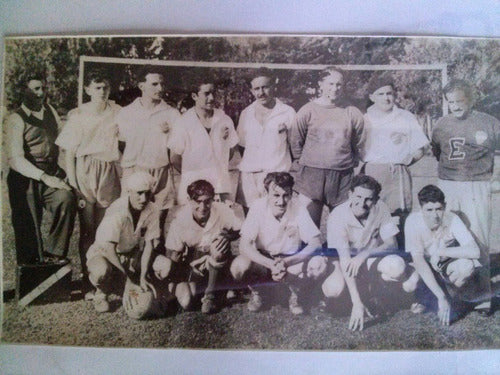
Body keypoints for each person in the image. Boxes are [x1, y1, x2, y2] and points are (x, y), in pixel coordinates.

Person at [56, 70, 121, 285]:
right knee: (87, 228)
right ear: (88, 90)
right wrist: (73, 183)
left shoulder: (117, 111)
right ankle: (87, 278)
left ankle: (104, 276)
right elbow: (69, 153)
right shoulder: (79, 115)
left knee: (106, 229)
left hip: (109, 171)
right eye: (97, 88)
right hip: (85, 170)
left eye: (105, 88)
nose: (102, 92)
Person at [327, 174, 416, 331]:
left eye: (368, 199)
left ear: (375, 200)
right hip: (345, 262)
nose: (362, 203)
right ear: (350, 194)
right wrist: (356, 303)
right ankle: (356, 298)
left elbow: (392, 244)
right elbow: (345, 259)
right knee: (332, 289)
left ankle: (380, 294)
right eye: (358, 196)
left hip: (368, 259)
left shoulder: (381, 208)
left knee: (396, 266)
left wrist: (364, 254)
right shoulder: (337, 215)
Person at [231, 172, 325, 315]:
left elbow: (315, 243)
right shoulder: (257, 206)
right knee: (239, 267)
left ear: (291, 193)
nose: (281, 201)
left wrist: (287, 262)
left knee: (319, 265)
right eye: (276, 195)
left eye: (286, 195)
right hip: (264, 260)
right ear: (266, 192)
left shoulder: (298, 206)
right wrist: (270, 264)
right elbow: (244, 246)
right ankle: (259, 292)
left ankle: (295, 294)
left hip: (290, 260)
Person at [5, 76, 76, 265]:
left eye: (43, 88)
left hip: (51, 173)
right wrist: (44, 177)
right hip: (24, 178)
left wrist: (67, 171)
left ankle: (55, 254)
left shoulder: (51, 111)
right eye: (35, 89)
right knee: (28, 228)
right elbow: (15, 159)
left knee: (66, 199)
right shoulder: (15, 118)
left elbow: (63, 143)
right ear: (24, 92)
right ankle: (31, 272)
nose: (40, 93)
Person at [290, 67, 366, 228]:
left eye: (339, 84)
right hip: (312, 174)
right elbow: (296, 141)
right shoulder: (307, 110)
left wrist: (350, 162)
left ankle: (337, 252)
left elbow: (359, 142)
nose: (335, 88)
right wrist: (304, 162)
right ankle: (312, 253)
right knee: (308, 224)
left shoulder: (352, 112)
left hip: (342, 175)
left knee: (341, 223)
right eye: (330, 84)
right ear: (321, 85)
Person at [152, 180, 242, 314]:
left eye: (207, 201)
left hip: (219, 259)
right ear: (189, 200)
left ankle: (210, 297)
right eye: (198, 201)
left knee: (217, 245)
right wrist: (178, 279)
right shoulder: (180, 220)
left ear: (213, 199)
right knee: (187, 301)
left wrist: (226, 237)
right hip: (194, 264)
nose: (203, 206)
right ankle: (214, 288)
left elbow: (240, 229)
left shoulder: (221, 209)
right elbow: (173, 255)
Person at [405, 185, 490, 325]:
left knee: (466, 266)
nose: (435, 215)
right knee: (410, 285)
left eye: (439, 209)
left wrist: (441, 251)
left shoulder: (452, 218)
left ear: (444, 206)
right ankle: (431, 298)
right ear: (421, 209)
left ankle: (452, 297)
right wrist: (441, 297)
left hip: (443, 266)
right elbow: (418, 260)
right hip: (423, 268)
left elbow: (474, 251)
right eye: (429, 210)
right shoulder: (413, 221)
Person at [431, 79, 500, 252]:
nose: (455, 106)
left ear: (470, 100)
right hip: (448, 183)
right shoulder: (441, 124)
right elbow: (438, 153)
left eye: (459, 101)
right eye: (451, 102)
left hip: (477, 184)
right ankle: (451, 275)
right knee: (447, 232)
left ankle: (483, 278)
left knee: (479, 234)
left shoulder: (489, 122)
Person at [86, 171, 162, 318]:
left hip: (130, 254)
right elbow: (109, 249)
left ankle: (144, 286)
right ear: (129, 192)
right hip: (104, 254)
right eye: (139, 193)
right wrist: (128, 280)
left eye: (147, 193)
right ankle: (101, 293)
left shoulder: (152, 209)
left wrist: (144, 276)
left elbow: (149, 245)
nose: (143, 198)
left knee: (163, 266)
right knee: (101, 270)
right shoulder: (117, 210)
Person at [115, 65, 180, 225]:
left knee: (157, 223)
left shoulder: (172, 113)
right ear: (141, 86)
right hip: (135, 170)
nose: (160, 88)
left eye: (161, 84)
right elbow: (121, 144)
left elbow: (177, 146)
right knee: (131, 222)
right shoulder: (126, 112)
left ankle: (155, 249)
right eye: (154, 84)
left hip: (161, 172)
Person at [362, 76, 429, 217]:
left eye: (389, 93)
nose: (386, 98)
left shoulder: (406, 117)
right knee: (371, 214)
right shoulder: (364, 119)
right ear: (372, 97)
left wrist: (408, 161)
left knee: (399, 215)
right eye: (381, 94)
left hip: (398, 174)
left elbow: (420, 147)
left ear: (394, 95)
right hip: (373, 172)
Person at [168, 79, 239, 204]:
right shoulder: (183, 122)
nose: (211, 98)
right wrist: (192, 172)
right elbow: (175, 158)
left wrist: (216, 167)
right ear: (194, 96)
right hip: (193, 186)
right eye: (206, 94)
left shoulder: (224, 119)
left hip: (220, 185)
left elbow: (231, 151)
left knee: (221, 221)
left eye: (213, 93)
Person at [236, 69, 296, 213]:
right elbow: (242, 146)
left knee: (276, 222)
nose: (261, 92)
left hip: (277, 177)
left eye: (265, 87)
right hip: (250, 177)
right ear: (251, 90)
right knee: (251, 223)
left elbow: (295, 146)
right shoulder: (246, 113)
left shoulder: (288, 112)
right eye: (256, 88)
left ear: (273, 86)